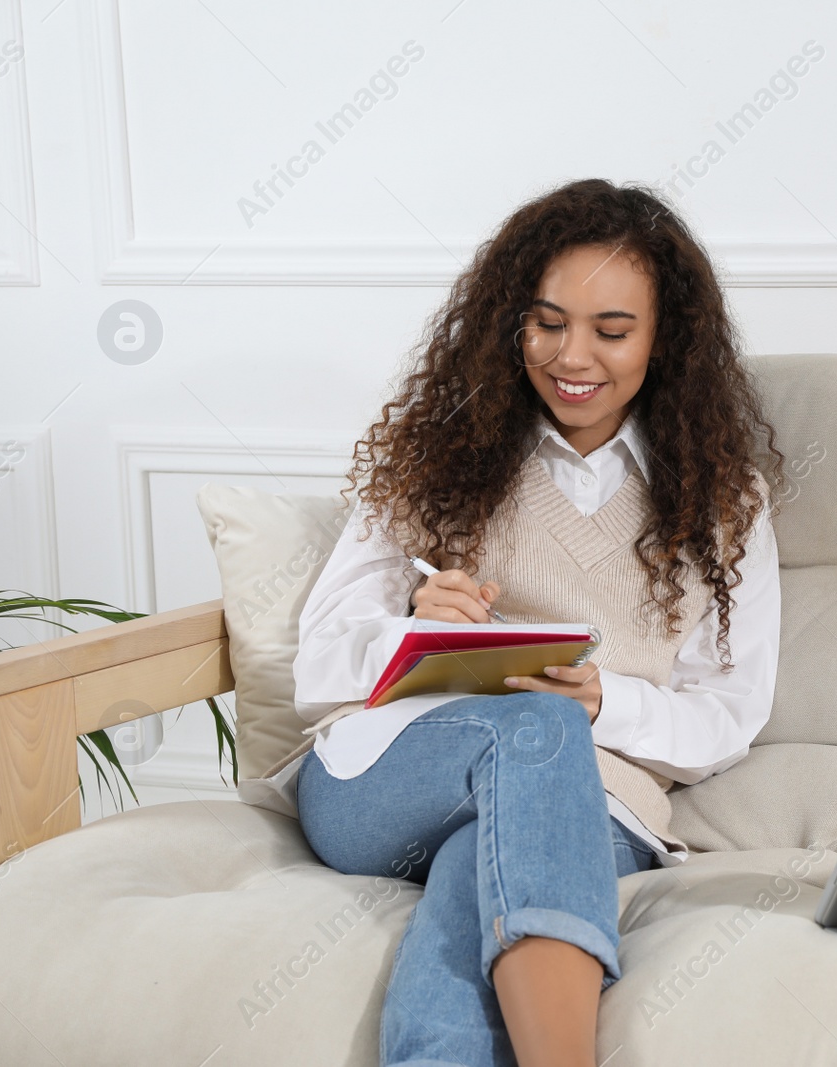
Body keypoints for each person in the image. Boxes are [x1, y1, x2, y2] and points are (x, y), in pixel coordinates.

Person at [290, 177, 787, 1067]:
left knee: (478, 868)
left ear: (663, 337)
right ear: (510, 322)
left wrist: (606, 703)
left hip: (595, 801)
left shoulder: (722, 500)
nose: (573, 355)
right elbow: (319, 663)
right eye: (548, 321)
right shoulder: (431, 458)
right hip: (388, 778)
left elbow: (729, 714)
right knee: (534, 727)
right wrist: (410, 625)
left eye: (612, 329)